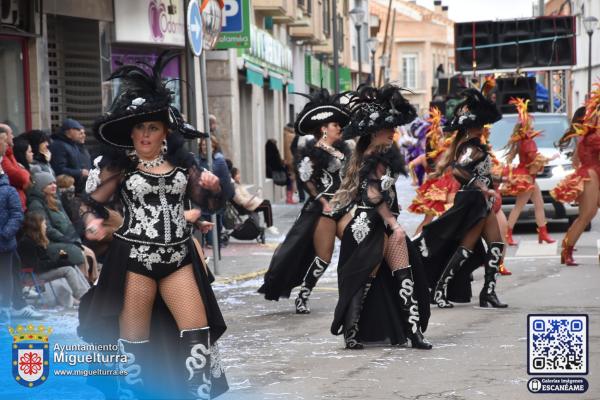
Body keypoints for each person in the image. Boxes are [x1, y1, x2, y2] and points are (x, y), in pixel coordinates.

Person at [77, 52, 228, 399]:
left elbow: (210, 206)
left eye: (153, 128)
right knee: (134, 342)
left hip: (177, 257)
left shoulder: (181, 166)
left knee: (197, 331)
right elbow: (88, 202)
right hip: (134, 260)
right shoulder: (119, 167)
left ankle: (197, 395)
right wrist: (92, 223)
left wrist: (214, 189)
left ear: (165, 132)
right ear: (131, 132)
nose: (145, 135)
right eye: (140, 128)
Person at [328, 84, 431, 350]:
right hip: (369, 225)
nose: (394, 131)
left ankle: (414, 333)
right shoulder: (369, 158)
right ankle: (352, 334)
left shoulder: (380, 155)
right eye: (389, 127)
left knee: (404, 275)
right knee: (364, 280)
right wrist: (395, 224)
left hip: (382, 223)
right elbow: (373, 195)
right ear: (375, 131)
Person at [414, 87, 509, 310]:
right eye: (481, 124)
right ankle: (439, 290)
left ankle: (489, 292)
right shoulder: (470, 147)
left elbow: (476, 172)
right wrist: (483, 188)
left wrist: (495, 179)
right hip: (472, 202)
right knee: (465, 249)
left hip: (481, 202)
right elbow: (459, 171)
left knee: (496, 244)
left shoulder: (475, 146)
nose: (484, 128)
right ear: (472, 127)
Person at [258, 89, 351, 314]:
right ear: (323, 128)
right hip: (323, 211)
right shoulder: (313, 152)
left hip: (343, 206)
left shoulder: (342, 150)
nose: (339, 127)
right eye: (334, 124)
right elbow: (306, 180)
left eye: (339, 124)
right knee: (324, 258)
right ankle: (304, 295)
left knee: (358, 243)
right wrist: (323, 202)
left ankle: (358, 291)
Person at [551, 85, 600, 266]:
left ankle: (567, 248)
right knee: (586, 215)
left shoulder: (588, 134)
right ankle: (567, 250)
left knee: (588, 214)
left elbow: (575, 159)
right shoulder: (591, 134)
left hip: (592, 173)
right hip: (591, 175)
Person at [501, 98, 557, 246]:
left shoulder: (523, 141)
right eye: (530, 127)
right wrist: (551, 157)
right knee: (520, 206)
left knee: (539, 204)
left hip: (528, 177)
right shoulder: (528, 142)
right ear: (524, 129)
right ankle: (508, 233)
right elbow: (535, 158)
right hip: (526, 178)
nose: (532, 129)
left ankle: (543, 233)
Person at [27, 171, 98, 284]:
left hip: (64, 241)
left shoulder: (55, 201)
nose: (54, 186)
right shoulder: (36, 204)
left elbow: (68, 223)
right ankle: (82, 287)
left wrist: (74, 239)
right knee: (78, 254)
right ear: (41, 186)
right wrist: (67, 240)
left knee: (89, 253)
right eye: (49, 184)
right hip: (49, 244)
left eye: (54, 183)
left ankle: (91, 283)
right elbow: (47, 229)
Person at [18, 212, 90, 305]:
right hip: (31, 275)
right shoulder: (27, 242)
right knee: (68, 270)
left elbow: (45, 261)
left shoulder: (35, 240)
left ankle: (87, 294)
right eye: (43, 224)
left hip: (38, 272)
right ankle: (84, 298)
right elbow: (37, 267)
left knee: (72, 266)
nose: (45, 227)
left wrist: (62, 259)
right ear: (36, 226)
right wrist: (59, 263)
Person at [408, 107, 460, 235]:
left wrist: (414, 180)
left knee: (429, 220)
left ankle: (416, 243)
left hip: (431, 185)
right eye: (440, 132)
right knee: (447, 218)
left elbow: (410, 165)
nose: (442, 134)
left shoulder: (426, 155)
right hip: (445, 184)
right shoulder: (445, 149)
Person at [0, 128, 25, 328]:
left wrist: (5, 233)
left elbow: (17, 214)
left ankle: (5, 308)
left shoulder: (8, 191)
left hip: (4, 242)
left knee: (6, 277)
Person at [196, 135, 234, 248]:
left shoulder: (218, 161)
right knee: (204, 228)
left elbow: (223, 181)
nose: (204, 147)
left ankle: (214, 246)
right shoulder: (198, 161)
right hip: (202, 201)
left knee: (215, 226)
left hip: (215, 201)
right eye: (202, 145)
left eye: (207, 145)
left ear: (213, 146)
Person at [231, 167, 278, 234]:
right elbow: (241, 200)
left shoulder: (238, 184)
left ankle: (269, 224)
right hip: (247, 206)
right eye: (237, 174)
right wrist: (252, 198)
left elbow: (245, 195)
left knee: (267, 203)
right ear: (233, 176)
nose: (239, 176)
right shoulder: (235, 187)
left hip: (250, 203)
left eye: (239, 174)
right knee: (267, 205)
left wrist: (254, 196)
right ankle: (269, 225)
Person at [49, 118, 91, 192]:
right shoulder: (59, 145)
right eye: (78, 130)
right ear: (69, 132)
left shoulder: (73, 144)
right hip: (67, 188)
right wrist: (80, 172)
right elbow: (59, 169)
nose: (80, 132)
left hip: (79, 187)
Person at [0, 123, 31, 210]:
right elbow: (21, 178)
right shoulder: (4, 158)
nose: (13, 136)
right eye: (11, 133)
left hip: (18, 205)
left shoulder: (9, 153)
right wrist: (24, 172)